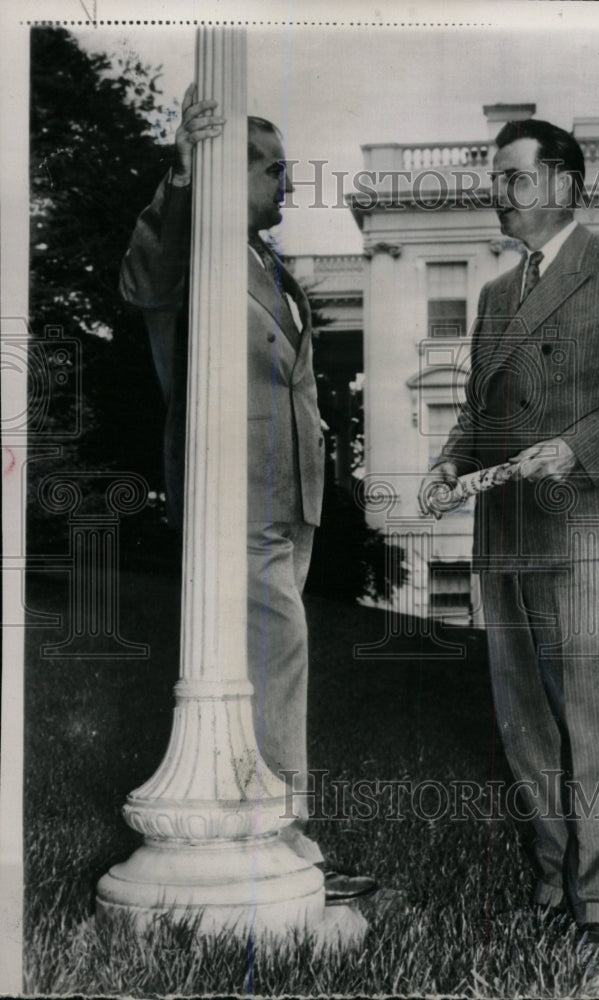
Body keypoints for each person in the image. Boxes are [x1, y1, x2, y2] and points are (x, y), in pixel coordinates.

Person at [418, 118, 599, 964]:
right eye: (495, 179)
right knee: (526, 721)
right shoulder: (497, 296)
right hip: (503, 529)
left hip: (592, 522)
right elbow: (478, 409)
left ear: (566, 184)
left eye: (514, 178)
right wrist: (445, 463)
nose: (497, 193)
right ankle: (555, 884)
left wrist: (578, 446)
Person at [120, 86, 375, 904]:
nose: (289, 187)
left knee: (266, 663)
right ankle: (286, 835)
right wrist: (186, 175)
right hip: (233, 498)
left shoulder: (273, 268)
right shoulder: (199, 255)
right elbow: (142, 279)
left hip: (289, 499)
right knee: (279, 655)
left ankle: (261, 821)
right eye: (272, 170)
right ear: (232, 178)